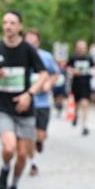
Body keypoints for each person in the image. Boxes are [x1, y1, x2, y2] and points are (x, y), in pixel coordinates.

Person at [0, 11, 48, 189]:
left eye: (12, 23)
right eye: (5, 22)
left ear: (20, 27)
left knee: (23, 154)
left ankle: (14, 185)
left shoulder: (27, 49)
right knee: (9, 148)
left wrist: (29, 94)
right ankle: (4, 168)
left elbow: (43, 74)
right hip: (3, 107)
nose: (8, 26)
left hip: (25, 109)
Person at [25, 30, 60, 176]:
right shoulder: (21, 56)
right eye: (28, 42)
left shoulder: (46, 56)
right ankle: (33, 164)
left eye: (33, 42)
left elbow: (56, 73)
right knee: (29, 135)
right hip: (27, 101)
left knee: (40, 135)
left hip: (43, 103)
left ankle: (40, 142)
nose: (31, 45)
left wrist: (48, 84)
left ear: (38, 42)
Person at [68, 40, 94, 136]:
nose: (82, 49)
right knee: (77, 103)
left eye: (83, 47)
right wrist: (73, 71)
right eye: (80, 47)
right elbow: (68, 68)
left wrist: (93, 72)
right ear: (77, 48)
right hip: (76, 84)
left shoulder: (89, 58)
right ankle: (75, 115)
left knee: (85, 104)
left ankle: (85, 126)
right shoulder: (73, 58)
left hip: (86, 84)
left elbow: (93, 68)